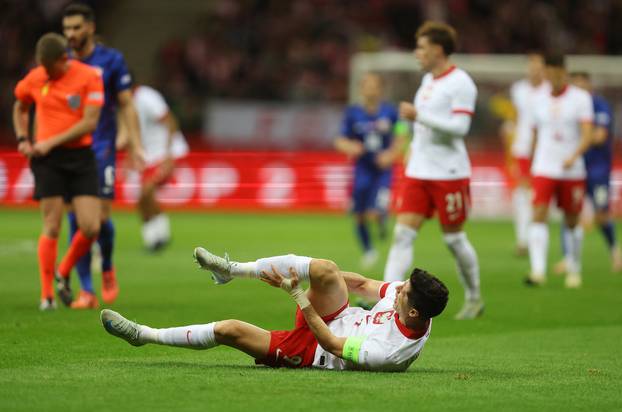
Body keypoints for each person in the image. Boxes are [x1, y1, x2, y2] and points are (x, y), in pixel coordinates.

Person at [101, 247, 449, 371]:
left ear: (414, 313)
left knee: (229, 330)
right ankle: (231, 270)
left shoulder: (390, 352)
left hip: (316, 351)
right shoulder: (413, 304)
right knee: (325, 267)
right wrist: (309, 276)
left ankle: (142, 335)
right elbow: (360, 285)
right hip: (337, 315)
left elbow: (331, 344)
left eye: (403, 291)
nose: (397, 287)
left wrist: (298, 295)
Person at [382, 21, 482, 320]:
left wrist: (419, 115)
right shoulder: (428, 81)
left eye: (421, 48)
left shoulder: (461, 83)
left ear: (438, 50)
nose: (417, 53)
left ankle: (475, 297)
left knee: (454, 239)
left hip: (449, 172)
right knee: (402, 234)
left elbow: (460, 128)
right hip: (419, 170)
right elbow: (417, 123)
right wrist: (409, 142)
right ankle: (387, 299)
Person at [12, 33, 103, 310]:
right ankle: (47, 295)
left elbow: (89, 123)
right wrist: (22, 139)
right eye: (44, 69)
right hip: (48, 161)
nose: (47, 75)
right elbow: (20, 105)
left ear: (64, 59)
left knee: (91, 226)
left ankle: (63, 271)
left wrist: (48, 141)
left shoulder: (89, 76)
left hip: (79, 157)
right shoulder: (36, 77)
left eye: (50, 69)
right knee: (52, 224)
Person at [62, 3, 144, 309]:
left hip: (101, 148)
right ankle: (86, 290)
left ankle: (107, 267)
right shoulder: (61, 61)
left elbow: (126, 104)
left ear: (90, 27)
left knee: (101, 219)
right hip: (68, 151)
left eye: (76, 28)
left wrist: (134, 144)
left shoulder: (111, 60)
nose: (70, 34)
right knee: (77, 219)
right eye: (66, 28)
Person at [525, 54, 594, 288]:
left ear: (564, 73)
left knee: (572, 220)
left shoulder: (581, 98)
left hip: (571, 169)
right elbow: (535, 134)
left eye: (557, 73)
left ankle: (574, 269)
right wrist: (532, 161)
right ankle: (537, 271)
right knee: (538, 214)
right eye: (549, 73)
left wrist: (574, 156)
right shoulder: (536, 99)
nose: (552, 77)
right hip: (544, 167)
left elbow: (587, 133)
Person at [335, 73, 406, 268]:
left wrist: (391, 154)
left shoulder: (390, 112)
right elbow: (340, 140)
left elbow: (402, 133)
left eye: (374, 86)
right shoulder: (353, 113)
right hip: (362, 169)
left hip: (383, 169)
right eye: (367, 86)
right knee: (359, 214)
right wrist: (350, 147)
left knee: (374, 211)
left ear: (380, 90)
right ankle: (368, 250)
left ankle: (382, 217)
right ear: (361, 89)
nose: (371, 90)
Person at [554, 72, 622, 274]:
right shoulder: (569, 107)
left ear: (589, 87)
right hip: (575, 169)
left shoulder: (599, 105)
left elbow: (600, 136)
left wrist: (577, 134)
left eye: (582, 86)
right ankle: (568, 259)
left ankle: (614, 251)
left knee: (602, 216)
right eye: (575, 86)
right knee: (570, 213)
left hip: (597, 171)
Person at [122, 82, 189, 251]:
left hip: (165, 153)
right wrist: (131, 156)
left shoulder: (146, 97)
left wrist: (168, 154)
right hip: (149, 156)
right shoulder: (126, 102)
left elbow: (170, 120)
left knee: (147, 192)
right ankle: (154, 239)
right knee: (143, 199)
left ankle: (160, 237)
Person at [504, 53, 549, 256]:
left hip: (545, 149)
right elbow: (514, 118)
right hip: (522, 148)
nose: (534, 71)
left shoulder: (549, 90)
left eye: (538, 67)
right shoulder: (519, 90)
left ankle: (535, 237)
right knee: (522, 192)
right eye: (531, 67)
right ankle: (523, 239)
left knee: (538, 195)